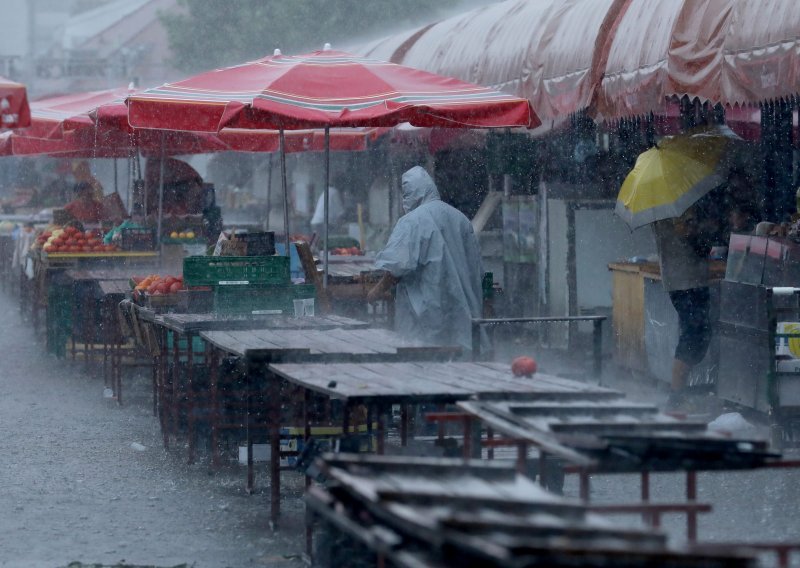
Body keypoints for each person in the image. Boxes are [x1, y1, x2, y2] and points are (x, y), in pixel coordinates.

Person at [367, 166, 483, 352]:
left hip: (425, 311)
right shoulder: (460, 219)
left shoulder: (412, 222)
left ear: (412, 193)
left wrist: (375, 292)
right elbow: (476, 267)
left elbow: (397, 268)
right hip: (460, 307)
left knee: (422, 360)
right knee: (457, 362)